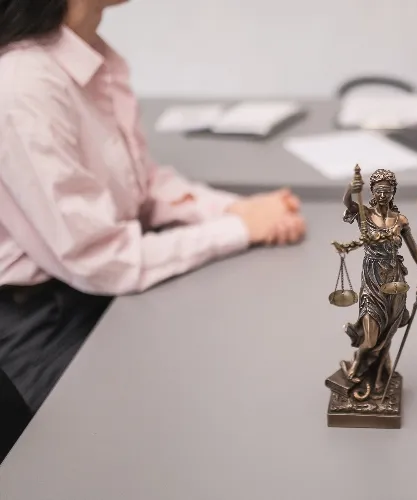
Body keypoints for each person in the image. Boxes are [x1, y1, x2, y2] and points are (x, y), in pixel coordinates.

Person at [0, 0, 306, 414]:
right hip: (43, 322)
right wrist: (241, 229)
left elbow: (142, 184)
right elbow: (102, 258)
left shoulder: (93, 56)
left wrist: (238, 210)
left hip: (93, 291)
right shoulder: (22, 84)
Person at [332, 168, 417, 400]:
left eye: (388, 190)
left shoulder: (400, 220)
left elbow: (414, 249)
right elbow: (348, 202)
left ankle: (378, 374)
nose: (383, 194)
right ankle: (358, 363)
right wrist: (350, 188)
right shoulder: (364, 214)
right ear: (372, 192)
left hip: (395, 279)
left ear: (393, 192)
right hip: (372, 277)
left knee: (389, 332)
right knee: (371, 335)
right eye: (379, 190)